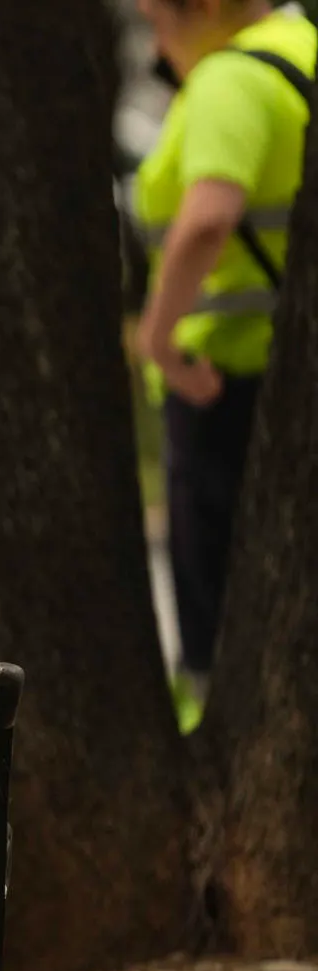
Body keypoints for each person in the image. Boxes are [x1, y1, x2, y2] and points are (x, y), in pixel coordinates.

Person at [132, 0, 314, 732]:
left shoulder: (230, 80)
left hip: (223, 380)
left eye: (156, 19)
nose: (155, 40)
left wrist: (158, 338)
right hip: (287, 372)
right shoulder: (303, 46)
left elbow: (209, 217)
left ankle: (207, 733)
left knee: (215, 592)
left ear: (202, 9)